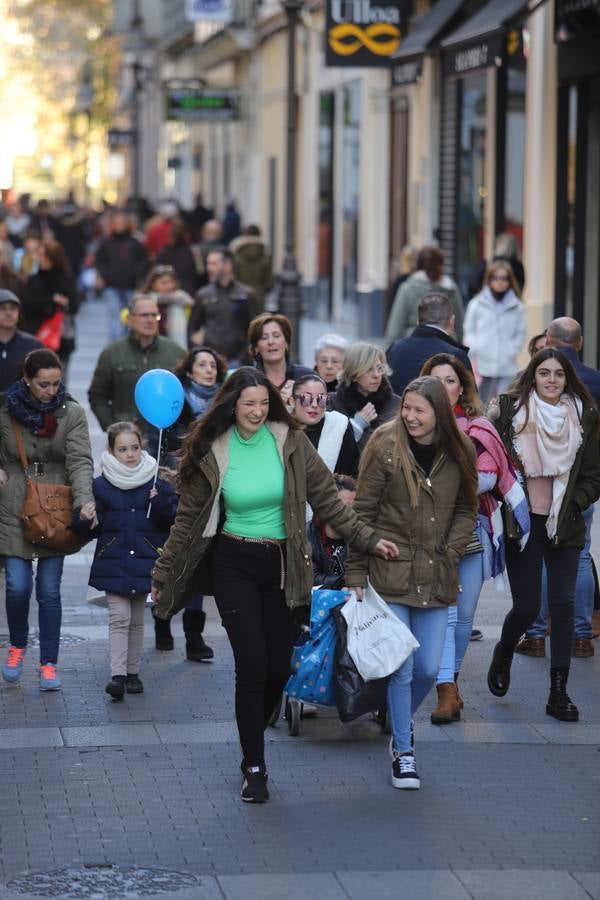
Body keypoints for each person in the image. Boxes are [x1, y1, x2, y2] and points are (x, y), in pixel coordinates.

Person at [150, 367, 398, 803]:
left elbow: (329, 503)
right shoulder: (215, 448)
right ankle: (254, 766)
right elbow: (187, 522)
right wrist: (163, 575)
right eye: (248, 404)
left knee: (280, 669)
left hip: (285, 565)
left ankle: (257, 722)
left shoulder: (290, 440)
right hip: (234, 562)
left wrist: (370, 539)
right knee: (252, 665)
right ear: (232, 405)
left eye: (264, 404)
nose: (257, 412)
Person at [345, 376, 478, 789]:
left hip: (436, 573)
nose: (410, 416)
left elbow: (466, 509)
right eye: (407, 408)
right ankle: (404, 751)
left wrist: (451, 549)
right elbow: (361, 514)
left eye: (420, 410)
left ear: (439, 412)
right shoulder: (385, 446)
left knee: (426, 665)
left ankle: (398, 719)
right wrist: (356, 573)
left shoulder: (460, 451)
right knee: (402, 666)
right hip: (391, 569)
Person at [487, 349, 600, 721]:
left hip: (563, 522)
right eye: (544, 373)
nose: (551, 380)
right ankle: (504, 650)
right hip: (523, 522)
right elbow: (492, 460)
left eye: (558, 374)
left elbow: (593, 474)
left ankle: (558, 692)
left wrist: (574, 502)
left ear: (568, 379)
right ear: (533, 376)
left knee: (563, 605)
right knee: (527, 607)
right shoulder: (509, 411)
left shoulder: (585, 415)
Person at [420, 353, 529, 723]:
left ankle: (452, 678)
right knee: (446, 614)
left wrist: (438, 482)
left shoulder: (479, 427)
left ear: (462, 387)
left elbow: (488, 476)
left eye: (450, 380)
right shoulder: (414, 423)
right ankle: (445, 689)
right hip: (426, 533)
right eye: (435, 380)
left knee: (465, 617)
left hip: (473, 529)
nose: (443, 387)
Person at [0, 349, 94, 690]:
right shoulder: (4, 408)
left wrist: (84, 500)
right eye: (43, 384)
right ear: (27, 379)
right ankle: (17, 645)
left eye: (56, 383)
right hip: (13, 504)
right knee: (17, 585)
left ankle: (49, 663)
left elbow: (81, 460)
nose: (51, 390)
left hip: (55, 506)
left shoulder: (71, 412)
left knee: (50, 591)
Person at [517, 317, 600, 659]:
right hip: (578, 487)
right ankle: (582, 636)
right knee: (579, 556)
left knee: (539, 559)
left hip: (540, 490)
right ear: (579, 343)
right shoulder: (595, 381)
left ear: (548, 340)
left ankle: (536, 636)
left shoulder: (529, 387)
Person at [76, 422, 178, 702]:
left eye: (134, 447)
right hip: (114, 559)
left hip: (146, 559)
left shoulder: (157, 483)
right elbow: (92, 529)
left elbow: (172, 519)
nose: (130, 454)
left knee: (135, 619)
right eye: (123, 449)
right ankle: (118, 676)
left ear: (142, 446)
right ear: (111, 451)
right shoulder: (101, 484)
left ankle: (133, 673)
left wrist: (159, 503)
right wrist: (84, 519)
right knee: (119, 617)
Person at [88, 294, 186, 433]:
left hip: (165, 439)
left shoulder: (176, 353)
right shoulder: (112, 353)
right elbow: (97, 396)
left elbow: (187, 394)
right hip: (126, 439)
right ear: (129, 319)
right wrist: (112, 428)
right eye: (144, 315)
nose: (150, 320)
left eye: (154, 315)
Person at [463, 260, 526, 404]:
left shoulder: (517, 306)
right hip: (482, 366)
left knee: (503, 405)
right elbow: (469, 330)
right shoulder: (476, 304)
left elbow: (520, 333)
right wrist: (476, 348)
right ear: (489, 280)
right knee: (481, 405)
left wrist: (511, 349)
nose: (500, 282)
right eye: (496, 278)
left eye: (504, 278)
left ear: (509, 281)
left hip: (506, 366)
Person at [386, 293, 472, 396]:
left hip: (398, 411)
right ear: (452, 322)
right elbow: (471, 404)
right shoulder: (456, 356)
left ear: (418, 322)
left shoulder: (394, 349)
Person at [385, 246, 464, 345]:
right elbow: (459, 325)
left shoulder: (408, 288)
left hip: (413, 346)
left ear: (418, 265)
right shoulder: (451, 289)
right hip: (446, 348)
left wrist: (388, 352)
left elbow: (396, 327)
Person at [328, 342, 400, 452]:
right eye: (369, 369)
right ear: (353, 373)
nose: (376, 375)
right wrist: (356, 424)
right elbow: (329, 448)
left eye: (379, 368)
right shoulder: (333, 403)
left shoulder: (397, 404)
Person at [189, 249, 254, 365]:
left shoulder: (246, 294)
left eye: (213, 264)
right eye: (208, 264)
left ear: (228, 265)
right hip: (211, 364)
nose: (208, 268)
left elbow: (254, 330)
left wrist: (241, 359)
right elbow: (192, 330)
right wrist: (201, 356)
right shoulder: (202, 295)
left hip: (239, 363)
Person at [291, 373, 359, 483]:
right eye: (307, 398)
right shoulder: (280, 428)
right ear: (292, 401)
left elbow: (352, 474)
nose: (314, 405)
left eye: (321, 399)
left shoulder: (338, 425)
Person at [22, 240, 79, 370]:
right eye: (39, 255)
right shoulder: (34, 279)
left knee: (61, 377)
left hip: (61, 336)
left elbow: (74, 306)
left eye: (45, 256)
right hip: (38, 333)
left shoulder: (66, 279)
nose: (41, 259)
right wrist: (54, 301)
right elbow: (29, 304)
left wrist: (64, 303)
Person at [95, 210, 148, 342]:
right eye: (116, 222)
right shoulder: (106, 243)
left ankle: (128, 344)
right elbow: (99, 261)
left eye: (122, 222)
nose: (119, 225)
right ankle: (116, 345)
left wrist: (135, 274)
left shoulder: (135, 243)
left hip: (130, 286)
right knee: (114, 318)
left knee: (130, 317)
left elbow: (144, 261)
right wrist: (107, 275)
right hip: (112, 286)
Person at [248, 313, 311, 409]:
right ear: (256, 347)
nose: (271, 342)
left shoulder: (307, 377)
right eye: (264, 338)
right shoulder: (248, 380)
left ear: (286, 343)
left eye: (276, 336)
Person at [309, 473, 357, 589]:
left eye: (354, 508)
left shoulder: (360, 535)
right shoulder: (308, 535)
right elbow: (311, 578)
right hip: (318, 604)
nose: (350, 513)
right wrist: (345, 581)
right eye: (343, 507)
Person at [0, 289, 42, 392]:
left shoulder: (33, 345)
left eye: (13, 308)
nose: (8, 313)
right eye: (3, 308)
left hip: (22, 406)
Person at [143, 264, 193, 349]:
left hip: (175, 349)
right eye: (164, 283)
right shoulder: (144, 303)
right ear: (152, 284)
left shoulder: (182, 301)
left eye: (171, 282)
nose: (169, 286)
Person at [230, 225, 273, 310]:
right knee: (259, 320)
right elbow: (270, 281)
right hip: (259, 294)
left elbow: (233, 276)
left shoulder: (236, 255)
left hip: (240, 294)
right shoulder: (266, 255)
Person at [156, 219, 200, 297]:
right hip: (189, 293)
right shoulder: (193, 252)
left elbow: (157, 274)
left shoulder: (164, 253)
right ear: (187, 234)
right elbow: (200, 274)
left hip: (169, 294)